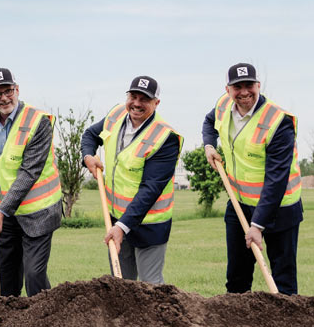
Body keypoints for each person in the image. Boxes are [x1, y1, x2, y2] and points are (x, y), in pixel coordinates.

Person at [202, 63, 303, 295]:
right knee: (237, 277)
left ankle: (286, 326)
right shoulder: (222, 105)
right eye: (237, 87)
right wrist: (209, 145)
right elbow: (209, 122)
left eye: (249, 85)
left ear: (258, 85)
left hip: (280, 208)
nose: (244, 92)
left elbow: (276, 179)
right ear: (227, 89)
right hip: (239, 204)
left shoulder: (279, 122)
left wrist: (257, 225)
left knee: (282, 279)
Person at [81, 76, 182, 284]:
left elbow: (151, 189)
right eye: (133, 96)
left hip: (149, 224)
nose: (136, 103)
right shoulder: (116, 114)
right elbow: (90, 135)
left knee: (150, 286)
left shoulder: (165, 137)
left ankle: (157, 317)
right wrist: (88, 156)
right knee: (121, 283)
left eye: (144, 99)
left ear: (156, 103)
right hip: (116, 216)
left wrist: (122, 226)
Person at [0, 68, 62, 296]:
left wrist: (0, 212)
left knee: (34, 275)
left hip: (39, 211)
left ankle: (44, 321)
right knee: (5, 276)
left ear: (17, 89)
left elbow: (29, 172)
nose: (4, 98)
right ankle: (9, 325)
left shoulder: (38, 122)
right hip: (6, 211)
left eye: (8, 91)